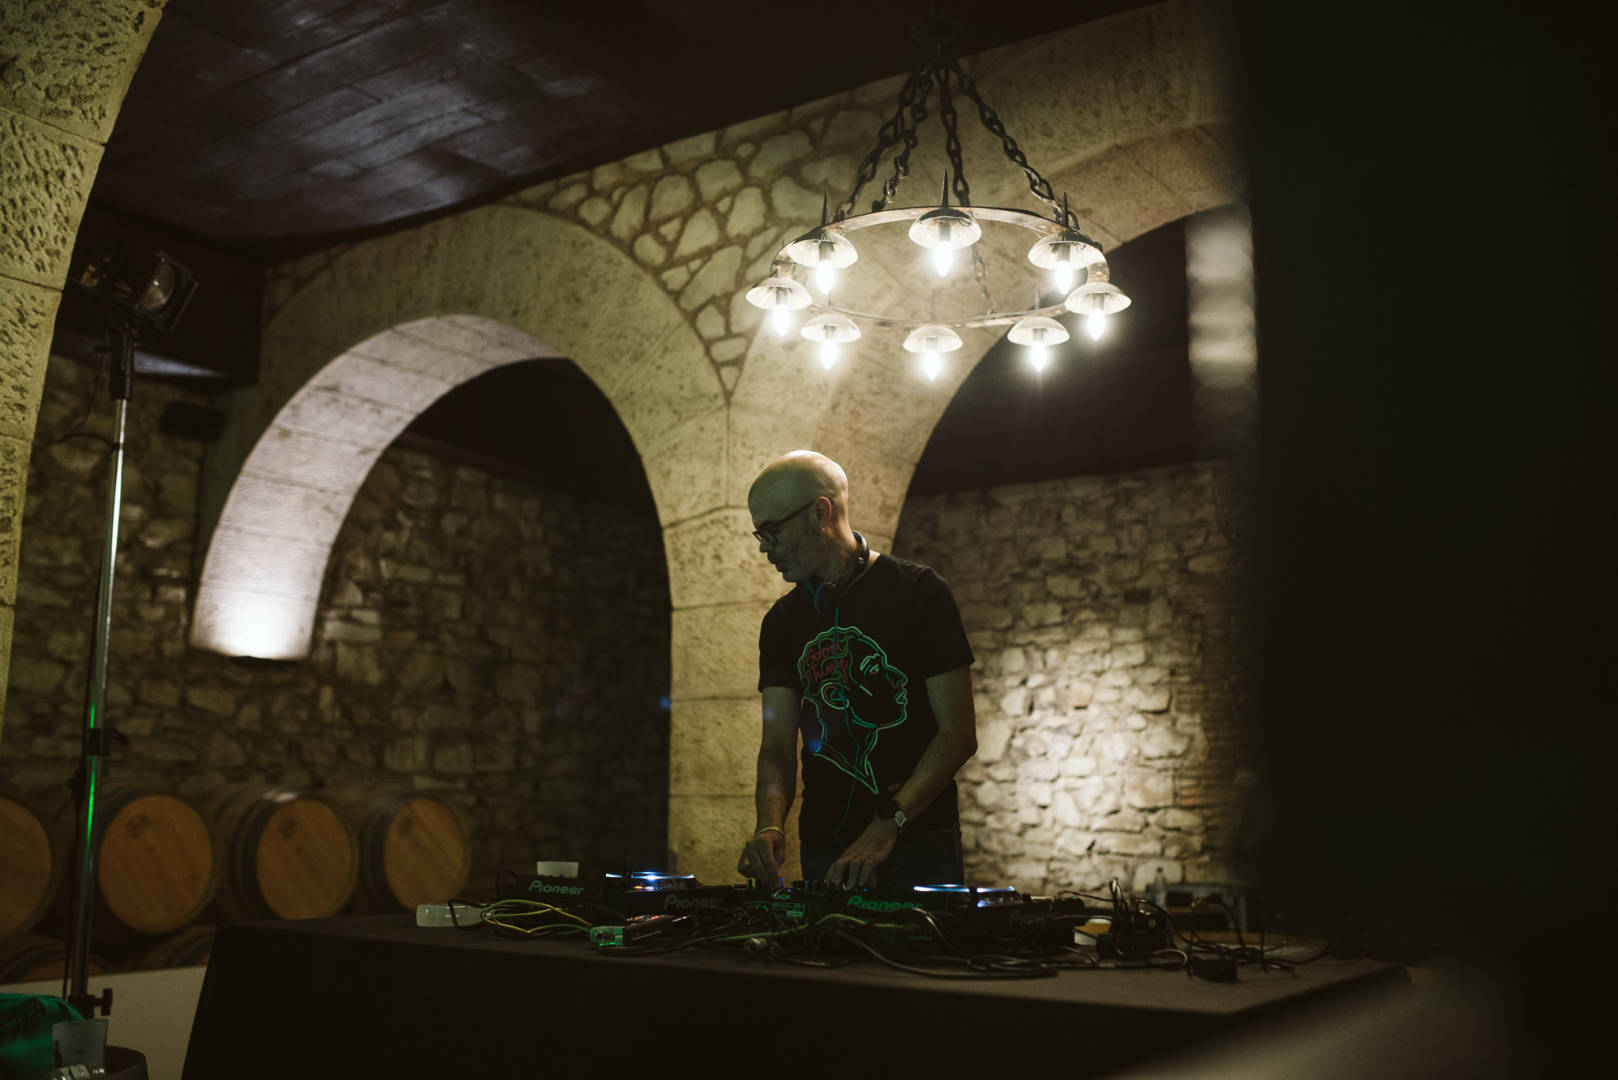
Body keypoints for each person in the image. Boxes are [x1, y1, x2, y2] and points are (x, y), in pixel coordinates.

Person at [736, 450, 978, 891]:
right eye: (759, 534)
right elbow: (776, 746)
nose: (764, 547)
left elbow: (957, 734)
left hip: (920, 845)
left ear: (820, 512)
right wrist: (769, 826)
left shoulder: (920, 593)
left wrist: (886, 827)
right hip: (826, 848)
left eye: (772, 531)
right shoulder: (781, 622)